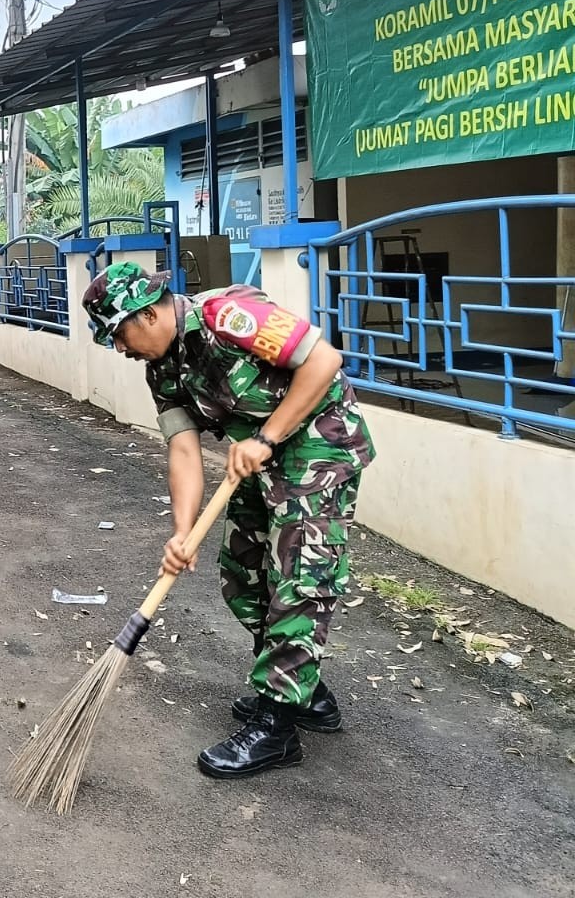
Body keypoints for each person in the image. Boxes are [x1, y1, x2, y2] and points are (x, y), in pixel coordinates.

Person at [81, 261, 376, 780]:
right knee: (242, 576)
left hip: (316, 449)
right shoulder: (162, 368)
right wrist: (183, 531)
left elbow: (324, 360)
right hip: (254, 464)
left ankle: (277, 724)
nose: (120, 349)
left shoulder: (229, 316)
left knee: (300, 582)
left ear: (147, 314)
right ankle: (306, 693)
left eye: (119, 334)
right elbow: (183, 450)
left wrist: (268, 436)